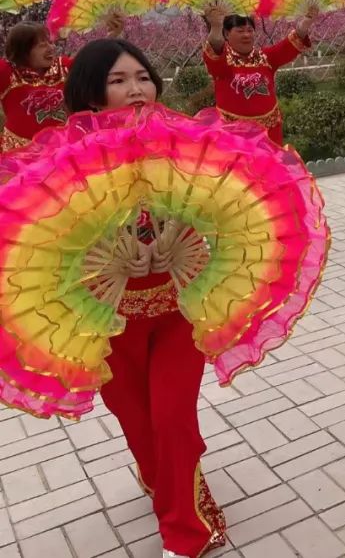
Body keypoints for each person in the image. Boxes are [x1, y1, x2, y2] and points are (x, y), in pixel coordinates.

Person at [64, 38, 226, 558]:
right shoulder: (68, 163)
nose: (136, 89)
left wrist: (181, 250)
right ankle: (166, 475)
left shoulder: (186, 143)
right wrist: (107, 260)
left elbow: (216, 212)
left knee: (173, 416)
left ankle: (184, 532)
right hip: (109, 321)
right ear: (93, 98)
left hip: (178, 309)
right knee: (139, 423)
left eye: (142, 76)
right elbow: (52, 245)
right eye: (118, 80)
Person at [1, 16, 121, 152]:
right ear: (23, 51)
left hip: (60, 153)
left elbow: (90, 60)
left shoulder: (63, 67)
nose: (50, 48)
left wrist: (111, 36)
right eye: (42, 45)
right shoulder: (6, 72)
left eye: (50, 42)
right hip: (18, 155)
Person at [202, 8, 315, 145]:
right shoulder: (223, 62)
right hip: (235, 139)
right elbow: (215, 46)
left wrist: (306, 22)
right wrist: (216, 27)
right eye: (240, 31)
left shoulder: (265, 57)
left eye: (250, 30)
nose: (246, 35)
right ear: (226, 33)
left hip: (269, 136)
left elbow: (288, 46)